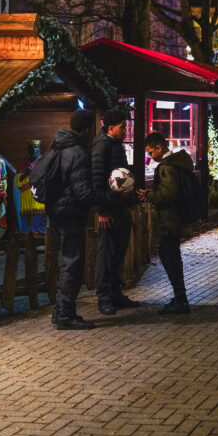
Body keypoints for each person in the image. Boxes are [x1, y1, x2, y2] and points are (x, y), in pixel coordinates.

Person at [47, 109, 105, 331]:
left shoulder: (59, 146)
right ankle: (65, 314)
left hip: (56, 212)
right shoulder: (78, 153)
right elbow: (82, 193)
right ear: (88, 129)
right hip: (70, 214)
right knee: (73, 263)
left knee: (67, 262)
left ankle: (59, 311)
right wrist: (108, 198)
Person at [137, 131, 193, 314]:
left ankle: (180, 299)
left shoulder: (166, 167)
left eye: (150, 152)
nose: (150, 157)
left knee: (170, 257)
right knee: (171, 256)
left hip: (170, 220)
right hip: (176, 219)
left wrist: (150, 194)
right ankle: (180, 297)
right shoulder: (178, 163)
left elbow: (168, 194)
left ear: (159, 148)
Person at [92, 109, 139, 315]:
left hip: (120, 206)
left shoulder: (114, 145)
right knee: (106, 253)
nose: (125, 130)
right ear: (110, 127)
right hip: (109, 208)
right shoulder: (102, 146)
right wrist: (102, 209)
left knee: (118, 250)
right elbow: (97, 178)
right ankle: (104, 297)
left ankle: (115, 292)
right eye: (122, 126)